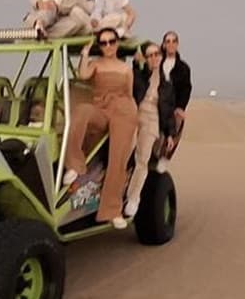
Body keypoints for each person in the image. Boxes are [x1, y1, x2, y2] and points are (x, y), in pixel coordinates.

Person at [61, 28, 137, 228]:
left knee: (118, 158)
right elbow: (83, 74)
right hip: (101, 107)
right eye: (103, 43)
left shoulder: (125, 69)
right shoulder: (96, 64)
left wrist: (131, 118)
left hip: (123, 111)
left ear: (117, 43)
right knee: (81, 112)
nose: (108, 46)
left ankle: (112, 210)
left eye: (111, 41)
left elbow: (129, 94)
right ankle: (75, 164)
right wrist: (85, 54)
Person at [124, 41, 178, 219]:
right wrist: (135, 63)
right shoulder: (139, 75)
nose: (154, 58)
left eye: (157, 54)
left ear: (162, 56)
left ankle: (133, 198)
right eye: (150, 55)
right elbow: (131, 85)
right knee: (123, 154)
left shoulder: (167, 84)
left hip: (152, 120)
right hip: (133, 115)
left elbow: (168, 111)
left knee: (142, 158)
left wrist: (170, 134)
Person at [155, 30, 192, 173]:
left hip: (174, 104)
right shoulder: (157, 62)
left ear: (177, 44)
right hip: (156, 101)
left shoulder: (183, 68)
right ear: (163, 45)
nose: (170, 44)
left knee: (178, 121)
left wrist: (181, 107)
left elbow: (186, 88)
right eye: (167, 41)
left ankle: (165, 158)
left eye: (173, 41)